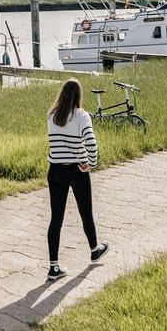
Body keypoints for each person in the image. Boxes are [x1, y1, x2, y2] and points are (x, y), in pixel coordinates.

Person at [44, 78, 107, 280]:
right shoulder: (82, 116)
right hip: (76, 170)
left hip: (55, 170)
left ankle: (53, 267)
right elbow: (90, 140)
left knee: (56, 219)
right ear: (78, 96)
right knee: (85, 212)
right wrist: (92, 162)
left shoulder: (52, 115)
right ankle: (94, 250)